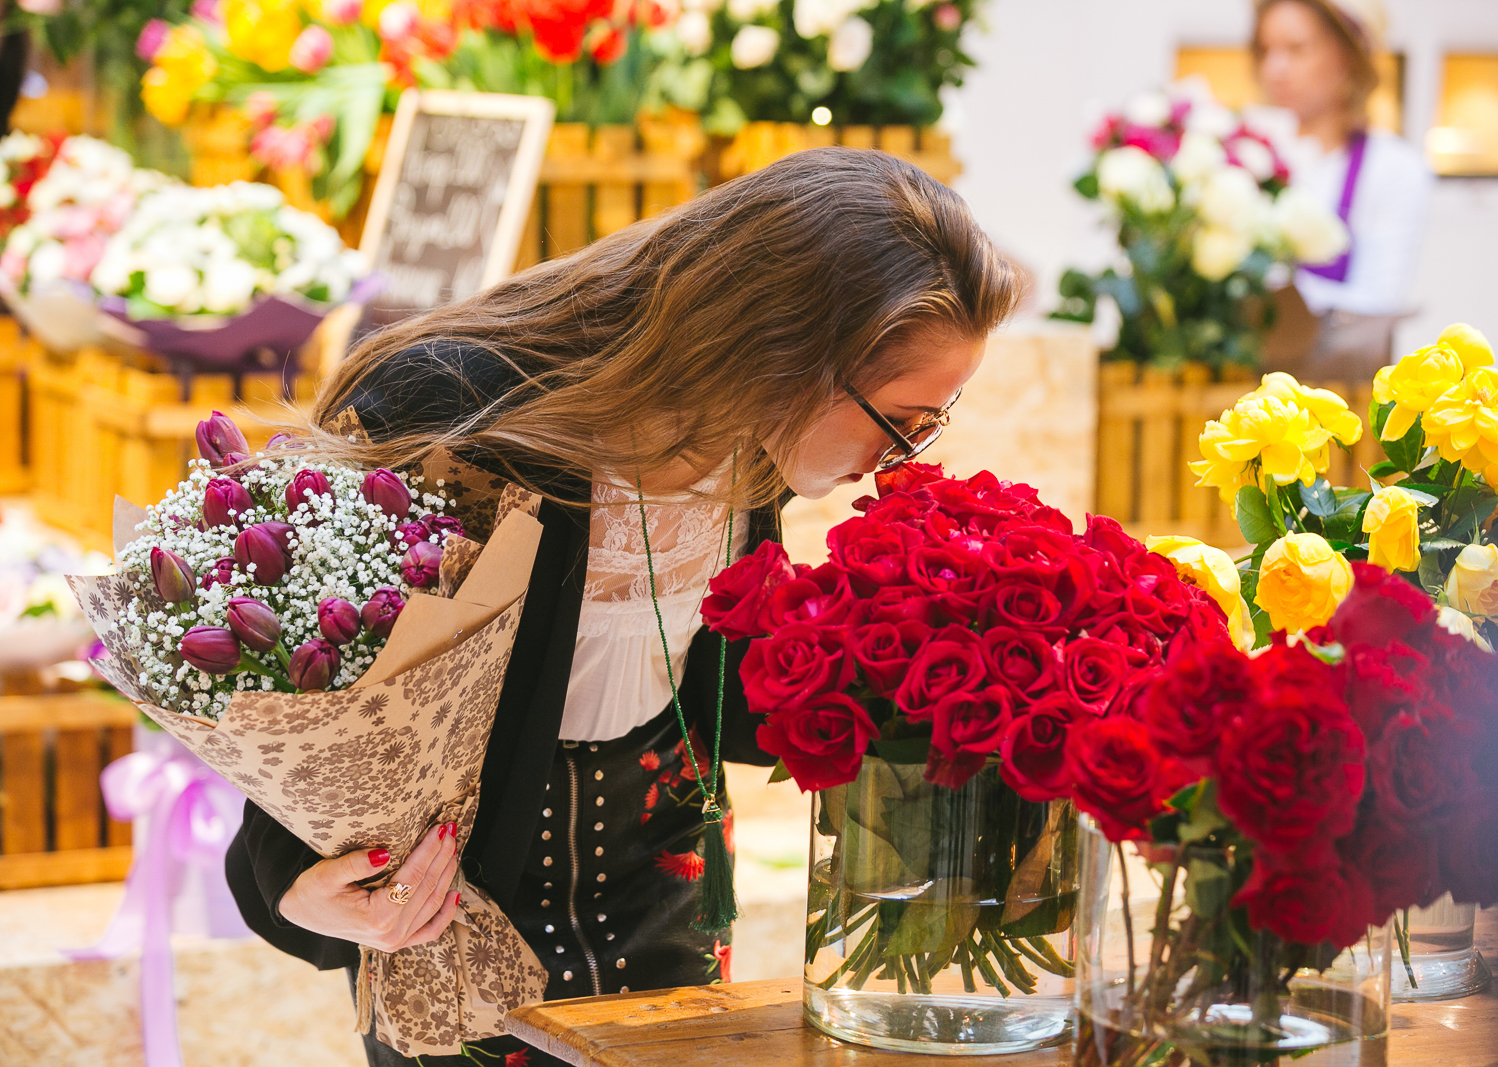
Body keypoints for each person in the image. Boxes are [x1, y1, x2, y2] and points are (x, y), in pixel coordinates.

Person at [224, 147, 1022, 1067]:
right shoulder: (454, 403)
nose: (905, 458)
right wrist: (294, 884)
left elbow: (703, 669)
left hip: (672, 890)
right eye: (903, 421)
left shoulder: (761, 438)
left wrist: (969, 682)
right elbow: (313, 675)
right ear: (788, 350)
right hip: (462, 917)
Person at [1253, 0, 1433, 377]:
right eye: (1266, 50)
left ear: (1349, 57)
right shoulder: (1248, 152)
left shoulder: (1394, 168)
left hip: (1338, 398)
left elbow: (1380, 300)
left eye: (1296, 49)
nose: (1274, 69)